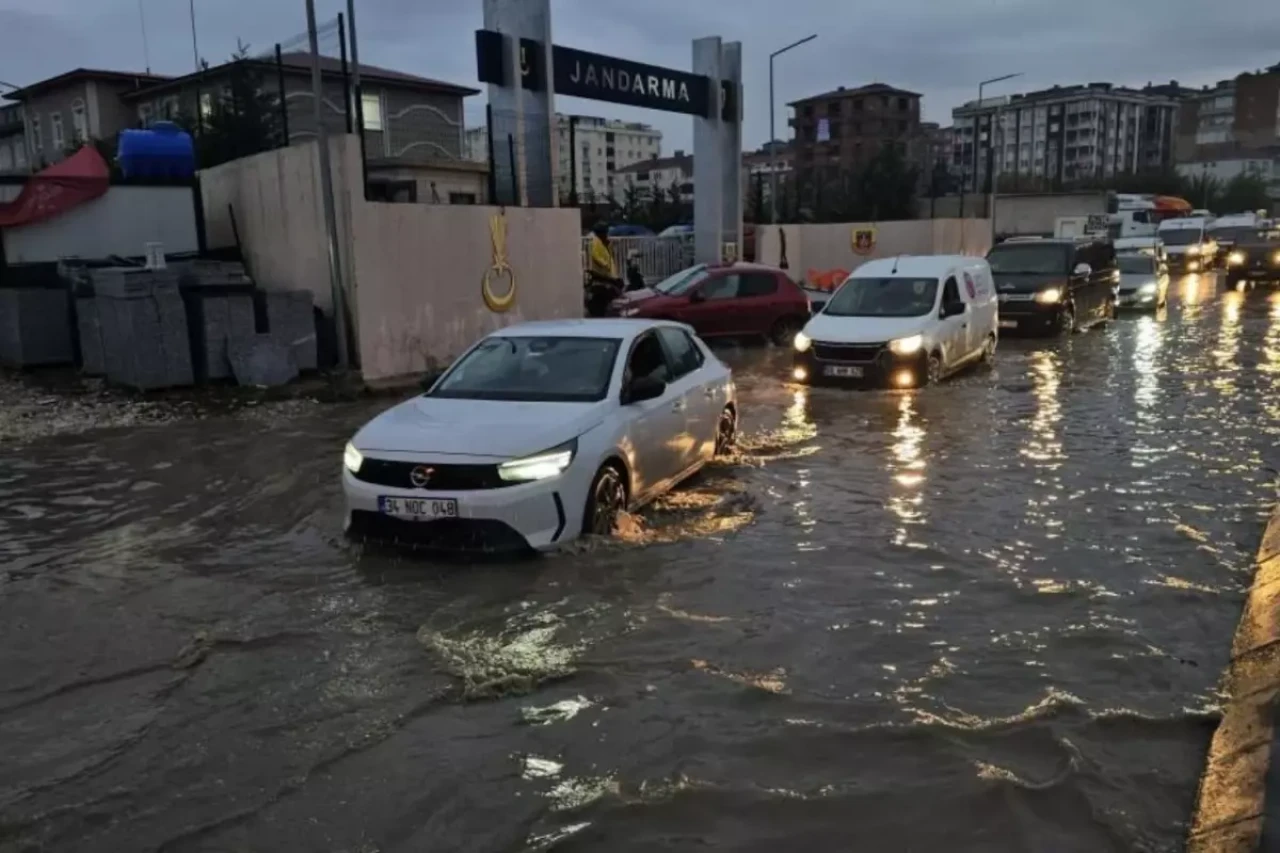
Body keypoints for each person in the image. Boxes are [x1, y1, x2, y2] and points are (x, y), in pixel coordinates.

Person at [585, 223, 622, 317]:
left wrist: (608, 244)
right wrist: (604, 264)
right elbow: (595, 255)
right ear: (601, 233)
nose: (607, 234)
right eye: (605, 232)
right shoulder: (595, 242)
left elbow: (608, 254)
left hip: (608, 272)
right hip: (602, 273)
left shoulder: (602, 241)